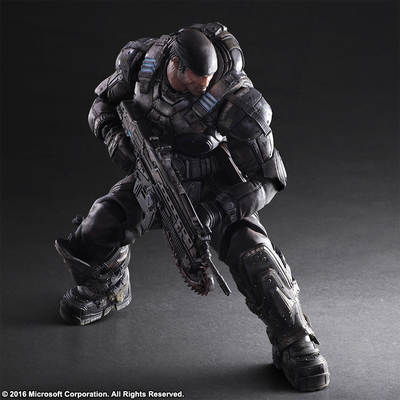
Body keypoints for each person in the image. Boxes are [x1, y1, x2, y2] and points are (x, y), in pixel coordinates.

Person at [55, 22, 330, 392]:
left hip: (213, 188)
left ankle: (294, 340)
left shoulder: (237, 100)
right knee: (98, 225)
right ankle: (108, 288)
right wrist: (113, 136)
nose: (205, 85)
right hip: (154, 175)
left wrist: (217, 211)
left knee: (258, 260)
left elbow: (269, 178)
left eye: (210, 78)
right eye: (197, 79)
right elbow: (102, 103)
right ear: (175, 64)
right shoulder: (142, 62)